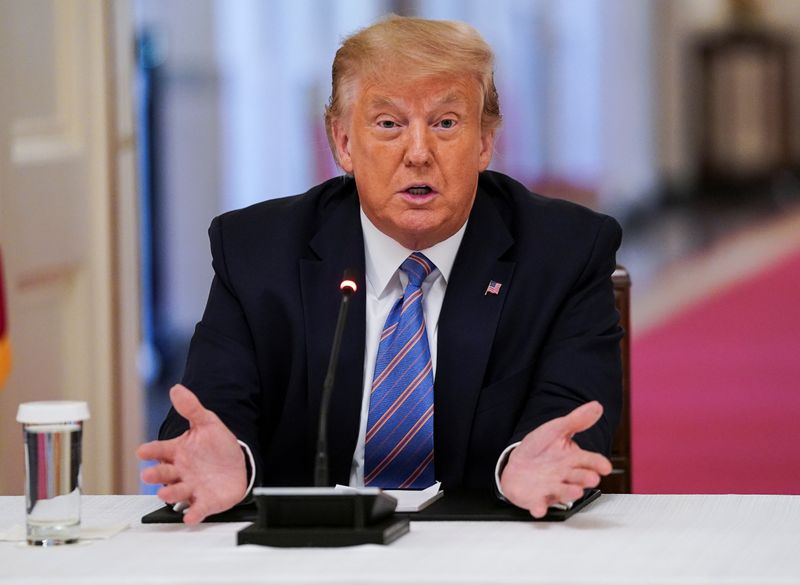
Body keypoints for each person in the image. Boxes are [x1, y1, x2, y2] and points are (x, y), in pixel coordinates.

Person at [137, 15, 622, 525]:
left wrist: (524, 462)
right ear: (342, 142)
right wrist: (233, 457)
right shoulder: (257, 252)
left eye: (446, 123)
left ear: (485, 142)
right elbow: (214, 406)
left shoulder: (564, 252)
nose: (418, 154)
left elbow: (570, 408)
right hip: (311, 554)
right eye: (389, 124)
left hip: (487, 547)